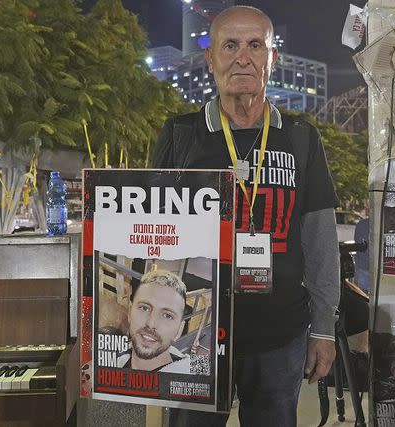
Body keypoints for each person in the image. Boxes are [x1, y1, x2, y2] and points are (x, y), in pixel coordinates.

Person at [152, 5, 340, 426]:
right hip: (192, 334)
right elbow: (153, 236)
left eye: (256, 45)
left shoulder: (301, 137)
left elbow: (321, 241)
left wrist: (324, 327)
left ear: (272, 59)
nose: (243, 57)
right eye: (230, 45)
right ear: (211, 58)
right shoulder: (180, 134)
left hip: (279, 334)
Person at [116, 269, 191, 374]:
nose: (151, 324)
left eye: (167, 316)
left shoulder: (193, 379)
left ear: (180, 330)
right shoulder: (111, 358)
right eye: (144, 308)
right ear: (129, 312)